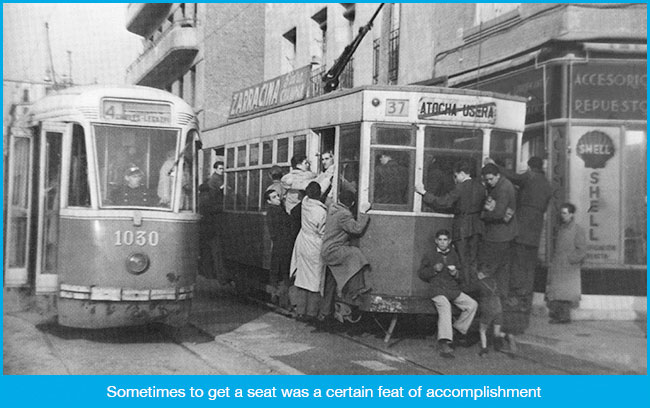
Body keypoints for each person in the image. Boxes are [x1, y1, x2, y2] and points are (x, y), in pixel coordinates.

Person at [485, 156, 553, 334]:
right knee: (528, 271)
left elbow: (513, 176)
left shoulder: (530, 177)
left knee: (515, 267)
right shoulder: (547, 184)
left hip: (521, 228)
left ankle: (511, 310)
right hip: (535, 231)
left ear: (530, 168)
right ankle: (523, 312)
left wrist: (494, 164)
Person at [416, 160, 486, 274]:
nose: (455, 179)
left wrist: (424, 193)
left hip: (462, 227)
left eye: (456, 175)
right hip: (478, 227)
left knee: (462, 260)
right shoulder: (481, 188)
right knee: (473, 260)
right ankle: (473, 288)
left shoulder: (460, 188)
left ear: (462, 173)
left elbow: (443, 202)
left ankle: (465, 287)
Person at [418, 229, 478, 358]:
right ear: (436, 241)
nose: (442, 243)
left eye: (445, 240)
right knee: (445, 307)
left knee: (472, 304)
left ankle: (456, 329)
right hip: (437, 289)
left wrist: (455, 273)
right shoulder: (430, 254)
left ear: (449, 241)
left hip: (452, 289)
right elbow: (421, 273)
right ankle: (444, 342)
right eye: (440, 240)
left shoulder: (454, 255)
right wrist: (433, 270)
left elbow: (461, 274)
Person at [479, 163, 517, 350]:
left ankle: (493, 330)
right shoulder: (503, 185)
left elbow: (499, 213)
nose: (488, 183)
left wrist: (485, 214)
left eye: (490, 179)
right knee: (501, 284)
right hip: (504, 238)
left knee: (487, 281)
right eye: (486, 180)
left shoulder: (503, 188)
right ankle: (501, 333)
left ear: (497, 175)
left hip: (496, 239)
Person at [320, 190, 372, 322]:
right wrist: (363, 212)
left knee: (331, 281)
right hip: (334, 250)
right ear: (353, 203)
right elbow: (357, 229)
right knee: (355, 254)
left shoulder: (334, 210)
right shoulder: (344, 214)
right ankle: (355, 292)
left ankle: (326, 312)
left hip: (327, 250)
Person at [289, 182, 328, 320]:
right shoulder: (321, 212)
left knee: (302, 277)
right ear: (320, 194)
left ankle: (300, 309)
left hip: (302, 241)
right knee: (315, 279)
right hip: (314, 244)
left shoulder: (305, 203)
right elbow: (322, 232)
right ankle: (312, 312)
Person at [546, 203, 586, 324]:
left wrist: (570, 259)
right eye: (561, 213)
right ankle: (559, 316)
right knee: (558, 292)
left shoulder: (577, 229)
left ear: (571, 214)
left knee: (566, 293)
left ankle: (564, 317)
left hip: (569, 267)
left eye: (565, 213)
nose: (562, 216)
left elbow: (582, 249)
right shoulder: (561, 228)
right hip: (559, 265)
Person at [264, 189, 294, 308]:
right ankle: (282, 298)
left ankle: (275, 295)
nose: (278, 198)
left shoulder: (274, 210)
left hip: (278, 244)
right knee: (283, 270)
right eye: (274, 197)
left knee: (276, 270)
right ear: (269, 201)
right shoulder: (276, 211)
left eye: (277, 196)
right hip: (283, 244)